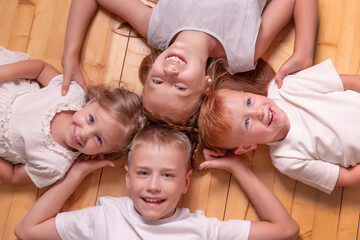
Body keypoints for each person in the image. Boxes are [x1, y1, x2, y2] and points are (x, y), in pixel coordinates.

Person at [15, 125, 299, 240]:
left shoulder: (201, 230)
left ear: (186, 182)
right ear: (127, 177)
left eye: (167, 175)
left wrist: (239, 170)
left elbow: (285, 229)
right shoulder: (105, 216)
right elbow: (26, 230)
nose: (153, 186)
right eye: (142, 173)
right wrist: (75, 175)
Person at [61, 0, 317, 125]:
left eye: (158, 81)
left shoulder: (157, 28)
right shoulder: (243, 51)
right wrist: (304, 50)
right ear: (206, 86)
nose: (171, 72)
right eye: (180, 87)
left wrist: (70, 54)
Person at [198, 59, 360, 194]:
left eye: (249, 102)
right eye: (247, 122)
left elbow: (350, 82)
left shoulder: (284, 87)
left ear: (246, 93)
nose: (257, 113)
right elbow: (347, 177)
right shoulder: (286, 159)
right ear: (246, 146)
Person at [0, 46, 145, 188]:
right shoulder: (70, 94)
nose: (84, 133)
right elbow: (41, 69)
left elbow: (13, 175)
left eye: (99, 139)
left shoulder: (54, 164)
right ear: (91, 103)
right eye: (91, 120)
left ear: (105, 152)